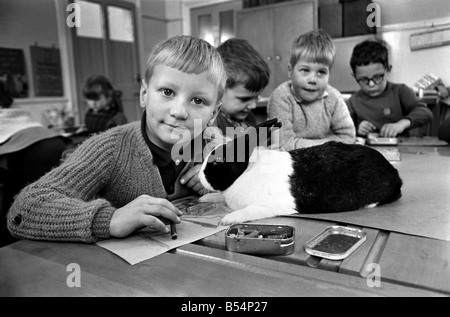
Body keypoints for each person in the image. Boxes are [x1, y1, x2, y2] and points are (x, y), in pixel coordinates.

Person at [7, 35, 227, 243]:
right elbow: (23, 212)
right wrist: (110, 219)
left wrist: (216, 180)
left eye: (198, 100)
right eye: (167, 92)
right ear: (144, 95)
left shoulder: (212, 145)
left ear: (214, 114)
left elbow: (250, 185)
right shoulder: (110, 149)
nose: (179, 112)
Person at [0, 81, 67, 246]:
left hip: (31, 153)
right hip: (53, 143)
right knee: (47, 200)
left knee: (18, 202)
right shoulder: (16, 112)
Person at [267, 30, 355, 150]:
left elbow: (348, 138)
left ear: (329, 74)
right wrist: (329, 145)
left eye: (321, 72)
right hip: (289, 162)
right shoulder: (280, 97)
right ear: (290, 71)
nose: (313, 79)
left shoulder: (334, 97)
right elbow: (283, 144)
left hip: (324, 161)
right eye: (305, 70)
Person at [347, 38, 433, 137]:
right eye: (363, 79)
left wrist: (401, 124)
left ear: (388, 70)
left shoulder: (400, 91)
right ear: (354, 76)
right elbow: (342, 128)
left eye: (377, 77)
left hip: (401, 148)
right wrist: (357, 129)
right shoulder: (352, 102)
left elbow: (426, 112)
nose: (371, 84)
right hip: (368, 151)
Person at [211, 38, 270, 137]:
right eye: (244, 99)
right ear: (218, 89)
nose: (253, 106)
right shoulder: (211, 124)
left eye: (257, 97)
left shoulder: (249, 118)